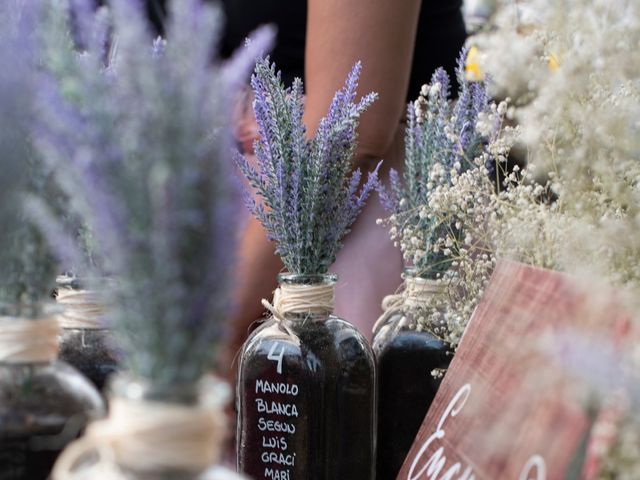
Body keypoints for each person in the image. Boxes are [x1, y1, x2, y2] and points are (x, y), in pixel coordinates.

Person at [220, 0, 466, 371]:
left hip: (336, 226)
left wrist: (216, 329)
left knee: (335, 413)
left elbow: (348, 132)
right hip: (248, 232)